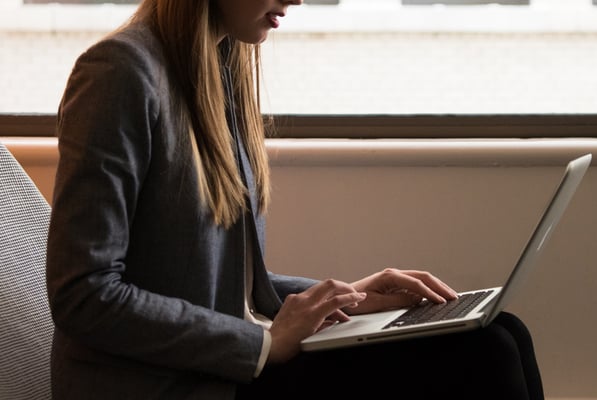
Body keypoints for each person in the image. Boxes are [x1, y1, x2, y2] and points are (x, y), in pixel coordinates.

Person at [45, 0, 546, 399]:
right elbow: (84, 296)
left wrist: (347, 299)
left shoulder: (220, 66)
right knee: (484, 357)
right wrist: (263, 343)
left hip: (223, 365)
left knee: (502, 332)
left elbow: (218, 284)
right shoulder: (118, 73)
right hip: (164, 384)